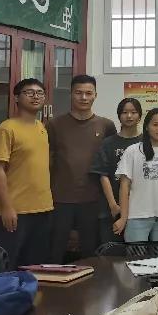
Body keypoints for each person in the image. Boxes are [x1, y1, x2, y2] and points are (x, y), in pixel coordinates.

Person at [48, 74, 117, 262]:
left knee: (90, 252)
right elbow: (48, 161)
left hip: (93, 199)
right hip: (60, 199)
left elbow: (110, 164)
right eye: (79, 93)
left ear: (95, 95)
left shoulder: (106, 125)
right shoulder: (54, 124)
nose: (84, 97)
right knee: (55, 251)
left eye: (88, 93)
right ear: (71, 94)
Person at [0, 79, 53, 268]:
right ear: (16, 98)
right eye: (29, 92)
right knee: (7, 266)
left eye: (40, 93)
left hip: (42, 209)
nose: (35, 96)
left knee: (34, 266)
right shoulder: (6, 128)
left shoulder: (41, 128)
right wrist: (7, 207)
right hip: (15, 210)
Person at [113, 108, 158, 243]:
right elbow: (124, 186)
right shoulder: (133, 151)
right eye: (155, 125)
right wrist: (123, 217)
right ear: (147, 126)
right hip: (137, 217)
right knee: (136, 256)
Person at [89, 98, 142, 246]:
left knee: (137, 253)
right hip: (111, 209)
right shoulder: (108, 143)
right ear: (119, 116)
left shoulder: (146, 143)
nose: (129, 116)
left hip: (139, 209)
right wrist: (113, 205)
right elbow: (103, 175)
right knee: (111, 252)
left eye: (133, 112)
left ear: (140, 116)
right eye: (125, 112)